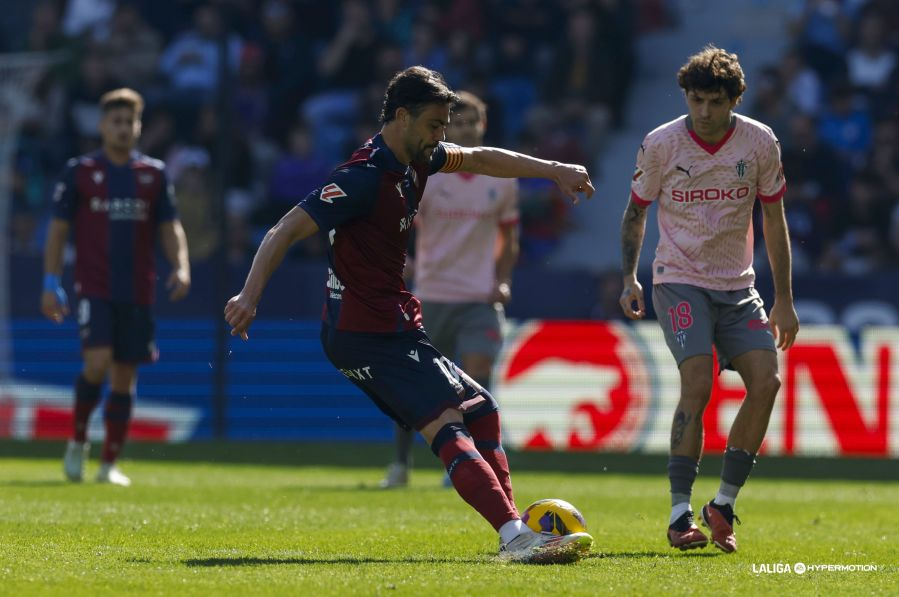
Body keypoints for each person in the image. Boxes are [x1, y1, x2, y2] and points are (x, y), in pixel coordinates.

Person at [225, 66, 594, 563]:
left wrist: (553, 169)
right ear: (402, 117)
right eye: (435, 125)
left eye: (445, 126)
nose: (442, 137)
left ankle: (512, 528)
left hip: (392, 322)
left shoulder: (418, 159)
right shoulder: (361, 177)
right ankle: (514, 536)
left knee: (481, 407)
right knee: (446, 420)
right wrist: (250, 295)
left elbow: (482, 158)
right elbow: (284, 229)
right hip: (362, 330)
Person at [618, 46, 799, 554]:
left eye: (714, 101)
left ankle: (721, 503)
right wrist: (630, 277)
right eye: (696, 100)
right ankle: (679, 515)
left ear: (735, 99)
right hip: (678, 280)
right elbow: (636, 212)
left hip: (738, 288)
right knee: (697, 383)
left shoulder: (759, 143)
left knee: (768, 381)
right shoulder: (661, 144)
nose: (703, 112)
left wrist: (783, 298)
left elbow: (774, 219)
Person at [42, 88, 191, 486]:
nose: (124, 128)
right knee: (97, 363)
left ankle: (109, 464)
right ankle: (77, 442)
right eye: (116, 121)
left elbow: (169, 226)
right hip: (94, 285)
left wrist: (181, 265)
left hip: (137, 289)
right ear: (102, 125)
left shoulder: (153, 174)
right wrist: (50, 281)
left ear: (139, 126)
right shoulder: (80, 171)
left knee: (125, 376)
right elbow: (58, 231)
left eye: (130, 121)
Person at [380, 91, 520, 489]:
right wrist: (400, 262)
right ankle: (401, 463)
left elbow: (510, 238)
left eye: (470, 122)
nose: (463, 129)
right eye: (455, 123)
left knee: (476, 379)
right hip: (431, 294)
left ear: (482, 127)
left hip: (479, 296)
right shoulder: (426, 173)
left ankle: (468, 465)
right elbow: (396, 221)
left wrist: (503, 278)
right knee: (416, 384)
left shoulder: (501, 180)